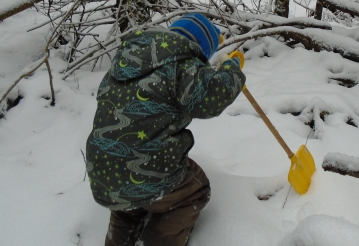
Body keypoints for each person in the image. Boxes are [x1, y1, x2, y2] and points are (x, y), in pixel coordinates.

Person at [86, 13, 246, 246]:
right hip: (145, 168)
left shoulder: (126, 59)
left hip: (102, 171)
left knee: (127, 206)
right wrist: (231, 68)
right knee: (194, 190)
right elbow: (211, 98)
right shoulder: (181, 63)